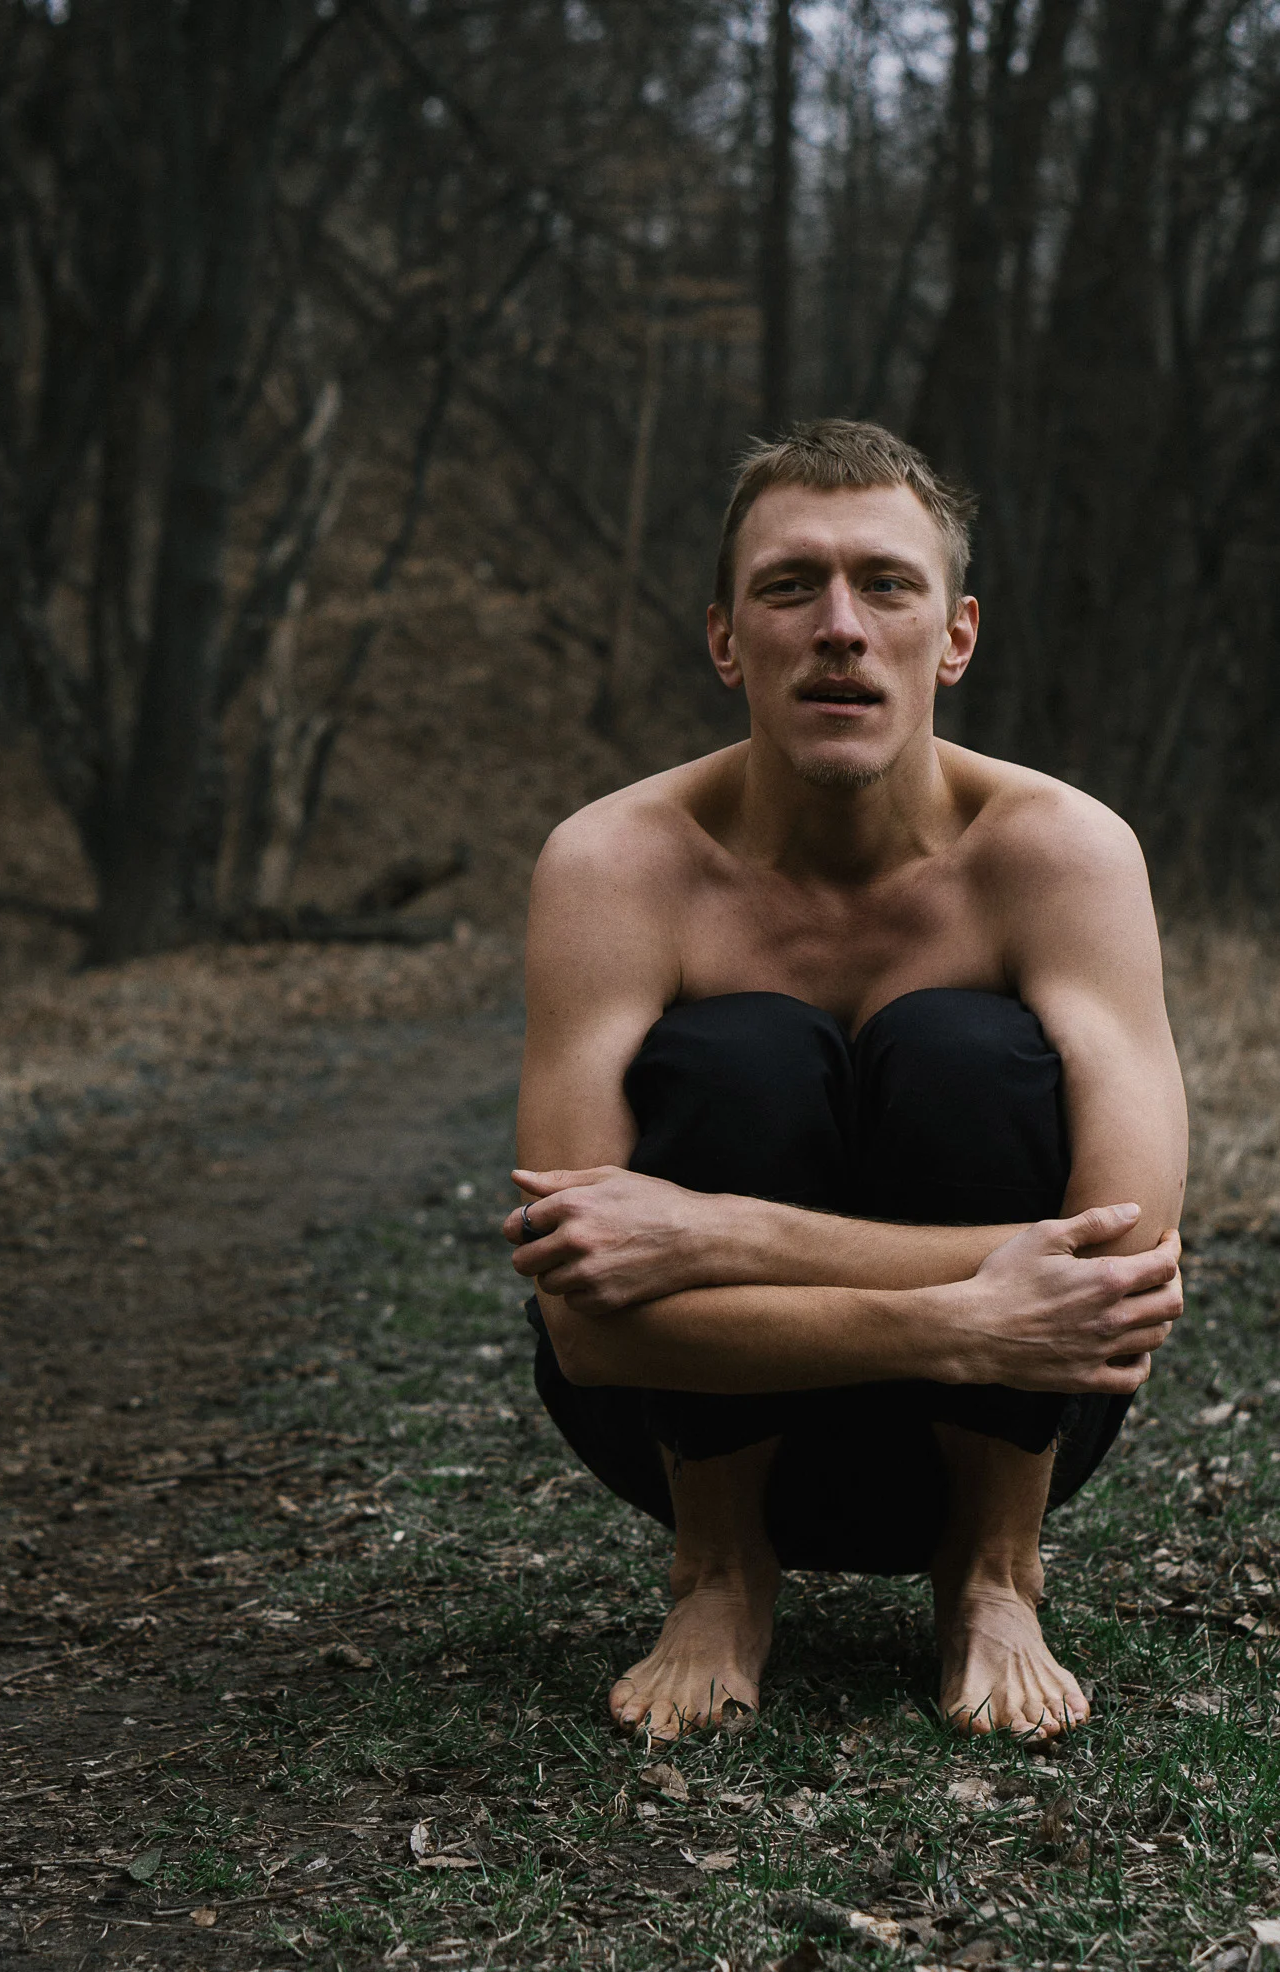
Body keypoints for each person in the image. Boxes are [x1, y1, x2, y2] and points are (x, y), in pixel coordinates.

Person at [503, 420, 1187, 1744]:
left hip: (1008, 1418)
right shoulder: (614, 864)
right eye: (788, 587)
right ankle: (718, 1570)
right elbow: (586, 1329)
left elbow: (1113, 1283)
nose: (839, 628)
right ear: (725, 641)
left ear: (955, 638)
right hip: (685, 1417)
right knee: (742, 1051)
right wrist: (965, 1319)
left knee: (961, 1048)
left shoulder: (1065, 855)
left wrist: (720, 1234)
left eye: (885, 584)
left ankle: (996, 1577)